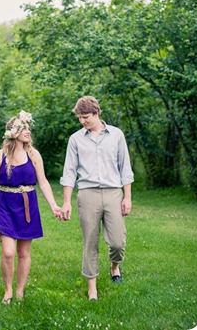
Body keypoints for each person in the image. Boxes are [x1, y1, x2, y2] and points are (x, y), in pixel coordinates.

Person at [59, 96, 134, 301]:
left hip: (113, 193)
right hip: (87, 194)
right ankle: (92, 287)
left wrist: (127, 197)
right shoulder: (75, 139)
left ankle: (114, 266)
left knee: (118, 241)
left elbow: (125, 168)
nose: (83, 121)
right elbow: (69, 173)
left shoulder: (116, 135)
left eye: (86, 117)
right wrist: (67, 201)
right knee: (90, 241)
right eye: (80, 118)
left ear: (97, 113)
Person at [0, 110, 61, 304]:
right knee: (8, 252)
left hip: (28, 205)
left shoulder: (34, 155)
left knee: (24, 253)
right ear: (12, 132)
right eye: (23, 128)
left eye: (28, 128)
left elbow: (43, 182)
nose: (28, 132)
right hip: (5, 205)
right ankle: (8, 289)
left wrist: (54, 205)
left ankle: (19, 290)